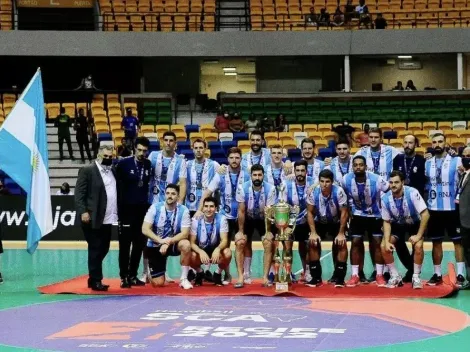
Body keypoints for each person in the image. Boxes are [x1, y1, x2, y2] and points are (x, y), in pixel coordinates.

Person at [196, 147, 250, 285]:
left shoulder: (247, 174)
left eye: (237, 158)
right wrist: (199, 209)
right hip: (224, 216)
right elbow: (207, 193)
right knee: (224, 247)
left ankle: (242, 275)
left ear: (241, 159)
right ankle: (225, 274)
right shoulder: (221, 173)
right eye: (231, 158)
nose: (234, 160)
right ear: (227, 159)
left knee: (242, 244)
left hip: (241, 216)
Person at [342, 155, 389, 287]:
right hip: (357, 215)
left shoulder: (377, 179)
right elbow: (341, 193)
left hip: (375, 215)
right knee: (356, 243)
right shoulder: (346, 179)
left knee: (377, 242)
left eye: (360, 165)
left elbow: (389, 191)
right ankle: (355, 275)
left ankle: (379, 274)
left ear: (365, 167)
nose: (358, 167)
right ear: (352, 167)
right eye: (355, 165)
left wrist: (386, 210)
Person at [75, 145, 117, 291]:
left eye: (110, 157)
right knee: (95, 247)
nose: (108, 159)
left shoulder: (113, 170)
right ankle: (96, 280)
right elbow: (79, 194)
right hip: (92, 217)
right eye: (105, 156)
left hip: (108, 217)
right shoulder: (87, 170)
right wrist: (83, 211)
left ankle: (92, 277)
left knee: (104, 248)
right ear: (98, 155)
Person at [424, 133, 465, 286]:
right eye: (434, 142)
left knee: (458, 241)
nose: (437, 144)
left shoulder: (456, 160)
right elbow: (426, 185)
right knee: (436, 242)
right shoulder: (428, 163)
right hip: (434, 209)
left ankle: (460, 274)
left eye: (440, 141)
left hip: (452, 208)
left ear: (446, 143)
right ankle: (437, 273)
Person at [381, 171, 430, 289]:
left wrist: (418, 235)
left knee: (418, 246)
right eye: (391, 182)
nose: (393, 185)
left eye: (396, 182)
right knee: (384, 246)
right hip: (398, 224)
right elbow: (386, 221)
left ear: (403, 182)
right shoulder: (385, 198)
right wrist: (387, 241)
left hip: (415, 223)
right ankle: (395, 276)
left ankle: (416, 277)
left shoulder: (412, 193)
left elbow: (425, 214)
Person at [115, 137, 152, 288]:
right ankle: (124, 276)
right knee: (125, 245)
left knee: (139, 244)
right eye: (139, 150)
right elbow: (116, 187)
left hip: (142, 211)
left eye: (144, 151)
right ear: (134, 149)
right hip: (126, 210)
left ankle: (133, 275)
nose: (142, 153)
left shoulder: (148, 164)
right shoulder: (123, 164)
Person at [141, 183, 193, 289]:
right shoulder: (155, 208)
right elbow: (145, 229)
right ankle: (156, 272)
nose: (170, 196)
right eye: (168, 193)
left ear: (178, 197)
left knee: (186, 244)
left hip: (172, 243)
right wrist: (161, 241)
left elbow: (185, 233)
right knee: (158, 284)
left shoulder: (184, 210)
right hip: (156, 244)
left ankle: (184, 279)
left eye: (173, 194)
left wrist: (168, 241)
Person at [392, 134, 426, 282]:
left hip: (415, 208)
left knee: (416, 242)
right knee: (397, 241)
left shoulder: (421, 160)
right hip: (399, 208)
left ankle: (413, 273)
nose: (407, 145)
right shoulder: (397, 160)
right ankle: (411, 269)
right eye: (405, 142)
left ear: (415, 144)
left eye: (410, 143)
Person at [235, 164, 276, 287]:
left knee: (268, 243)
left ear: (263, 176)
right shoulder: (242, 188)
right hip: (248, 217)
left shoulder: (271, 189)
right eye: (254, 175)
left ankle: (265, 277)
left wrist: (268, 231)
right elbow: (241, 211)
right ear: (251, 176)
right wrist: (241, 232)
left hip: (264, 219)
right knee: (240, 242)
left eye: (259, 175)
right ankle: (241, 277)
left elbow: (269, 212)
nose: (257, 177)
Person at [306, 169, 349, 287]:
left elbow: (344, 213)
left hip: (336, 221)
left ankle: (340, 278)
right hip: (320, 221)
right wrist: (313, 232)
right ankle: (316, 277)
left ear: (332, 182)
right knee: (312, 242)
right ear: (318, 181)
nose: (324, 184)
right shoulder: (313, 191)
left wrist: (341, 233)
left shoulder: (339, 191)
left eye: (327, 182)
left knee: (341, 244)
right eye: (322, 181)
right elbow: (309, 212)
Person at [281, 160, 314, 283]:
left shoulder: (313, 183)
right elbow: (283, 206)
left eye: (302, 170)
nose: (300, 173)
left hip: (306, 220)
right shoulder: (286, 184)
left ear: (307, 171)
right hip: (290, 221)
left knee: (306, 246)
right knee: (287, 247)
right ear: (294, 172)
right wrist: (285, 225)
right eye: (298, 170)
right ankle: (287, 273)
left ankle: (307, 272)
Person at [190, 197, 232, 287]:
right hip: (200, 250)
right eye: (206, 206)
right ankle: (199, 273)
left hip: (215, 250)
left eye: (211, 206)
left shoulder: (222, 219)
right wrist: (200, 251)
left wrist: (218, 249)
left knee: (228, 253)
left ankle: (217, 274)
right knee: (189, 255)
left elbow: (224, 240)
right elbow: (192, 243)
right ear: (202, 208)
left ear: (216, 209)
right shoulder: (195, 220)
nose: (208, 209)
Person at [148, 131, 187, 204]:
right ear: (162, 142)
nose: (168, 143)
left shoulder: (180, 161)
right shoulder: (153, 155)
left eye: (171, 141)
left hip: (170, 202)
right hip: (152, 201)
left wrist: (180, 201)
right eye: (166, 140)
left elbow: (182, 184)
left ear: (175, 143)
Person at [185, 139, 219, 217]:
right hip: (190, 205)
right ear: (192, 149)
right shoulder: (186, 165)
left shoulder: (214, 165)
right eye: (196, 148)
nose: (198, 150)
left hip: (207, 207)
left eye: (201, 148)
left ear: (205, 149)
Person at [457, 146, 470, 289]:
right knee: (467, 250)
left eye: (469, 155)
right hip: (464, 220)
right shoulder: (463, 174)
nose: (467, 157)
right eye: (464, 155)